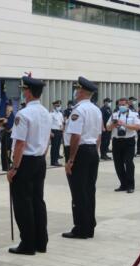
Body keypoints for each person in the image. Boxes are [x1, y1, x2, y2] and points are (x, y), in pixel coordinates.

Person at [7, 76, 51, 255]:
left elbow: (19, 144)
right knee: (37, 201)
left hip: (25, 162)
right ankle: (41, 242)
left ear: (28, 92)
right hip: (40, 160)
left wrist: (14, 168)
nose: (22, 92)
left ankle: (28, 244)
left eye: (23, 90)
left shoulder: (23, 114)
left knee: (23, 203)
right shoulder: (46, 112)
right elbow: (48, 139)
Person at [62, 77, 102, 239]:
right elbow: (99, 135)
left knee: (79, 191)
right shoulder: (96, 109)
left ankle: (81, 228)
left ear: (82, 91)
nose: (75, 92)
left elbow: (76, 136)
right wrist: (96, 152)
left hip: (80, 152)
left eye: (77, 89)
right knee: (89, 190)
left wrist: (71, 159)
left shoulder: (78, 110)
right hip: (92, 150)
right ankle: (89, 224)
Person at [106, 98, 140, 194]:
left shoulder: (134, 114)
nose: (121, 106)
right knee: (118, 164)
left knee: (128, 162)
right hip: (117, 141)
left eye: (123, 105)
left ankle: (130, 185)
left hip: (129, 141)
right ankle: (123, 184)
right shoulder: (114, 115)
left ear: (127, 105)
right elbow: (108, 128)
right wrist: (114, 124)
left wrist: (124, 125)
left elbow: (138, 127)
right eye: (119, 105)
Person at [49, 100, 64, 166]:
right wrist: (50, 132)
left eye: (59, 105)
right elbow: (48, 124)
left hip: (59, 131)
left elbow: (62, 122)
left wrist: (62, 129)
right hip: (54, 131)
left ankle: (56, 160)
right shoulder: (51, 114)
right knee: (54, 147)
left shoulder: (60, 114)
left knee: (58, 146)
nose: (59, 107)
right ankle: (53, 161)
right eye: (57, 105)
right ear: (54, 106)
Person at [0, 104, 13, 171]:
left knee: (9, 150)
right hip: (4, 134)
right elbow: (0, 126)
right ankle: (5, 166)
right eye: (8, 110)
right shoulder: (2, 117)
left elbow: (12, 125)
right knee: (4, 151)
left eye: (10, 111)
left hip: (10, 134)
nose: (9, 112)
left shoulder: (11, 117)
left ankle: (8, 164)